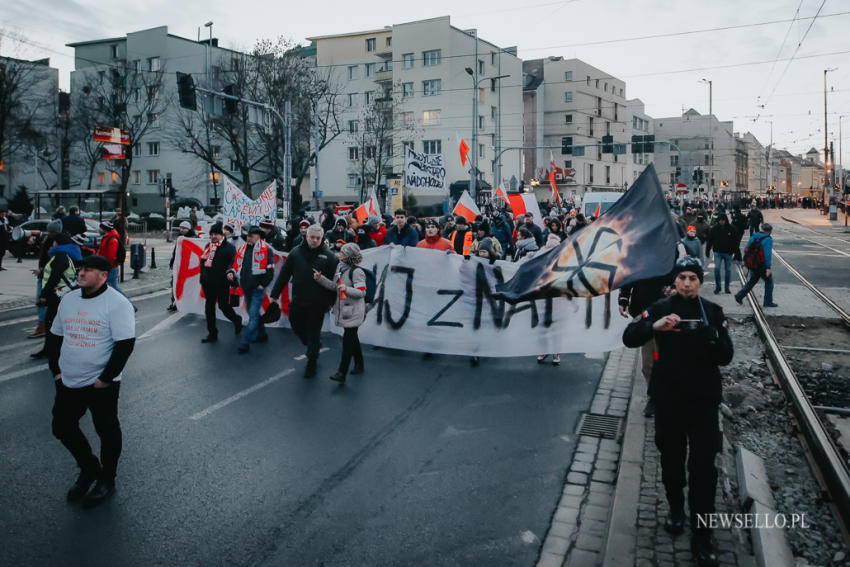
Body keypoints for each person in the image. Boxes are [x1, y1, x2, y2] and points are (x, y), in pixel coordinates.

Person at [623, 256, 734, 567]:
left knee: (703, 470)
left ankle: (702, 536)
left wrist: (714, 340)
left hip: (703, 403)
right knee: (671, 460)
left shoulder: (712, 312)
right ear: (674, 281)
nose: (686, 283)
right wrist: (653, 326)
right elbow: (629, 337)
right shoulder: (660, 307)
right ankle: (675, 507)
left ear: (700, 282)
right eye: (682, 277)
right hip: (669, 400)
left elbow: (726, 356)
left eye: (692, 278)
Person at [47, 255, 136, 508]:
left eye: (88, 270)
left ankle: (107, 479)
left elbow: (125, 345)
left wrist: (105, 379)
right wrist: (56, 371)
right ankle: (89, 468)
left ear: (103, 275)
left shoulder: (117, 304)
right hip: (68, 379)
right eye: (81, 269)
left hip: (100, 384)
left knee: (106, 430)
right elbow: (55, 337)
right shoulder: (69, 300)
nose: (81, 273)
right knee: (62, 426)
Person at [270, 224, 339, 377]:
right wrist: (274, 294)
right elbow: (284, 275)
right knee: (296, 325)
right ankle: (310, 345)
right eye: (312, 237)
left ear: (322, 238)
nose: (314, 240)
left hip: (318, 303)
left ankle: (312, 362)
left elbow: (335, 283)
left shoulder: (330, 257)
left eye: (318, 238)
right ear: (306, 236)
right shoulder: (295, 253)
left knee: (314, 332)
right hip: (298, 299)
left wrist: (330, 302)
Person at [315, 242, 367, 383]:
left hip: (354, 312)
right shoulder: (340, 268)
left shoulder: (357, 272)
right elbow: (334, 287)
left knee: (347, 342)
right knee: (352, 338)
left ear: (349, 255)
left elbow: (361, 292)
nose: (340, 255)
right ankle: (359, 364)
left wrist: (346, 289)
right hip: (344, 310)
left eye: (343, 253)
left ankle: (341, 372)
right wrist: (321, 279)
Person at [32, 222, 82, 359]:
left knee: (52, 322)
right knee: (56, 322)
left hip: (58, 294)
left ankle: (52, 349)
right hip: (63, 292)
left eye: (53, 241)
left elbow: (54, 277)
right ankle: (51, 348)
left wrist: (44, 294)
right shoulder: (67, 254)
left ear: (58, 243)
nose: (51, 243)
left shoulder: (60, 257)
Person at [229, 226, 275, 354]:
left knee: (253, 316)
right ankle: (262, 334)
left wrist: (262, 285)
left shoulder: (267, 250)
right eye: (248, 235)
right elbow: (237, 265)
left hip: (257, 289)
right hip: (246, 287)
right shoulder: (244, 249)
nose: (248, 238)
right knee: (252, 313)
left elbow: (270, 271)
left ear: (259, 237)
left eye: (252, 236)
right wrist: (232, 273)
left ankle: (245, 343)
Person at [200, 223, 243, 343]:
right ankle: (212, 333)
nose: (213, 236)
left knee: (223, 306)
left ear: (221, 235)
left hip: (222, 283)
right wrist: (202, 277)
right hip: (208, 283)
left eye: (216, 234)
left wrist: (231, 274)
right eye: (211, 234)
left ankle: (236, 320)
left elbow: (233, 263)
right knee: (209, 308)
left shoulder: (229, 248)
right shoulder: (208, 246)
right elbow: (203, 263)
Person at [735, 223, 776, 308]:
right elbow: (767, 255)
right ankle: (768, 302)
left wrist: (750, 261)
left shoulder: (754, 237)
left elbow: (746, 249)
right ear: (769, 231)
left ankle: (739, 295)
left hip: (753, 264)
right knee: (769, 282)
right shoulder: (768, 239)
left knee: (752, 281)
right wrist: (768, 267)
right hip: (762, 266)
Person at [167, 221, 196, 311]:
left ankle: (190, 303)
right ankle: (175, 302)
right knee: (175, 282)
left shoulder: (195, 238)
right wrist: (172, 261)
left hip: (190, 266)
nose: (182, 230)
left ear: (189, 229)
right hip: (180, 265)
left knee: (190, 285)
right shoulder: (180, 238)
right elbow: (176, 251)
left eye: (184, 228)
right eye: (181, 228)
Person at [97, 220, 129, 301]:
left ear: (105, 229)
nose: (99, 230)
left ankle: (128, 303)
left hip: (110, 267)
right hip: (108, 267)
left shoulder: (111, 240)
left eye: (101, 228)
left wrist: (107, 266)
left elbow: (111, 257)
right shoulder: (107, 238)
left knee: (113, 288)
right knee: (111, 287)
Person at [705, 214, 736, 295]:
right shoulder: (714, 229)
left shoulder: (731, 228)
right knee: (717, 269)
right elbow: (710, 240)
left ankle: (727, 287)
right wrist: (707, 251)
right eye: (720, 220)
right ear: (718, 220)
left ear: (726, 220)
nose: (722, 222)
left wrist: (734, 252)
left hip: (728, 253)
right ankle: (718, 287)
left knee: (728, 270)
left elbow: (735, 241)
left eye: (723, 220)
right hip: (717, 252)